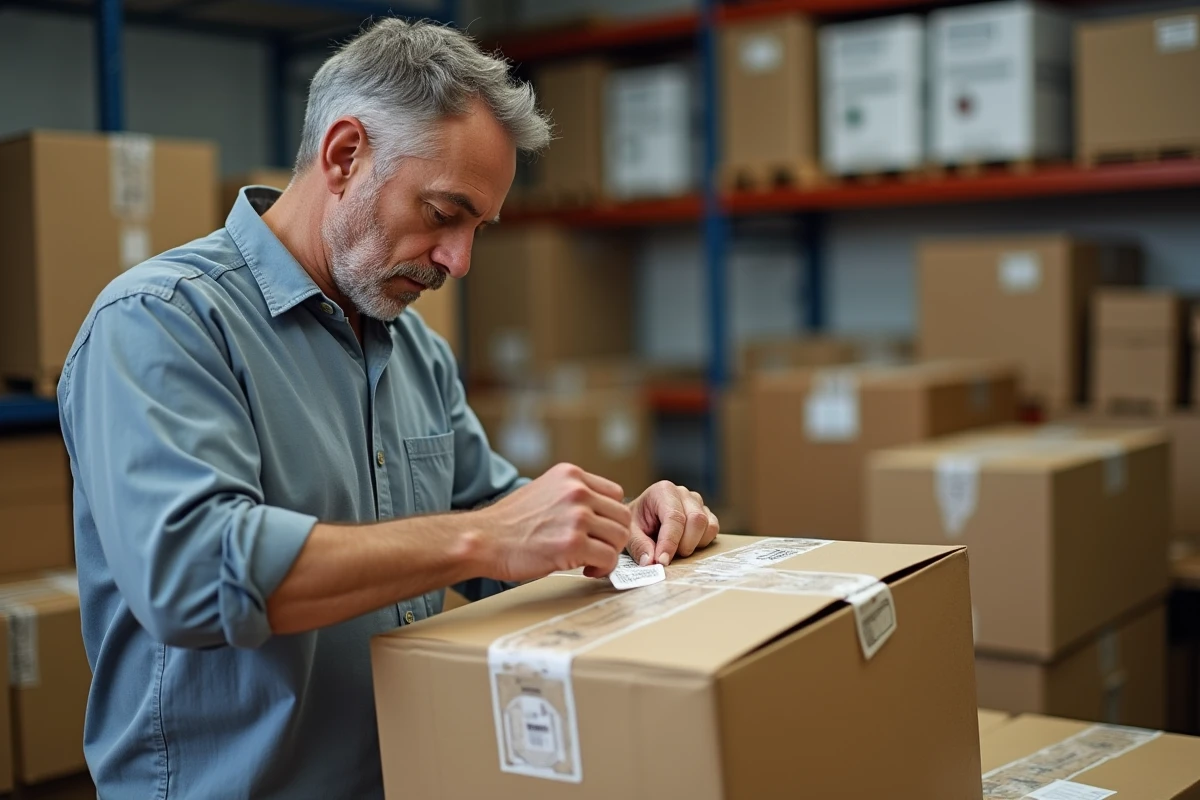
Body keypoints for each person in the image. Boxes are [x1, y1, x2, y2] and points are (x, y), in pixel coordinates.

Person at [57, 17, 719, 800]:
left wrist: (613, 532)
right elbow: (191, 572)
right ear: (344, 155)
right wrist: (483, 538)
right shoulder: (161, 321)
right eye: (442, 214)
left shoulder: (414, 352)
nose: (458, 261)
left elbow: (499, 518)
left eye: (477, 229)